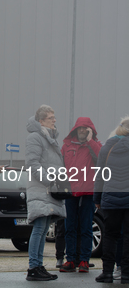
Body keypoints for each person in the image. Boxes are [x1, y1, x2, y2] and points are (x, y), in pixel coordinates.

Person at [25, 105, 66, 281]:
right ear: (41, 121)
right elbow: (33, 164)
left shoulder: (50, 138)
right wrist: (50, 182)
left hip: (50, 191)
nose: (54, 120)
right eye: (50, 117)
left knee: (42, 230)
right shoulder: (35, 137)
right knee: (39, 228)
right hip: (42, 189)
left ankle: (38, 265)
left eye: (54, 117)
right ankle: (33, 267)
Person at [59, 117, 101, 273]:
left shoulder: (94, 145)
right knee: (69, 227)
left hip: (88, 192)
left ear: (90, 130)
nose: (82, 131)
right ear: (75, 130)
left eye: (85, 128)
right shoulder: (66, 146)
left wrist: (91, 141)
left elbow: (101, 157)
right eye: (80, 128)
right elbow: (61, 166)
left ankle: (84, 260)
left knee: (86, 227)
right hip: (70, 192)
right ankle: (70, 260)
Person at [94, 116, 129, 283]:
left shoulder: (107, 147)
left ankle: (107, 272)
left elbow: (100, 175)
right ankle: (126, 273)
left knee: (110, 236)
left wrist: (97, 198)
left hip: (110, 198)